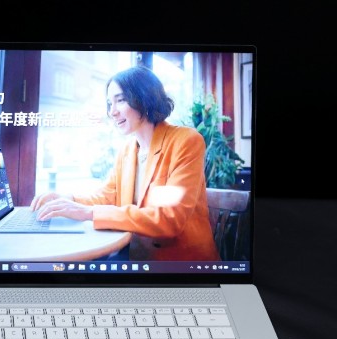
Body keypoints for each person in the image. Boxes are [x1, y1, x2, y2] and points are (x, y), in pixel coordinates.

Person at [30, 65, 219, 261]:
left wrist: (89, 213)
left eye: (120, 100)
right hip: (134, 254)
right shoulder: (127, 150)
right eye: (109, 103)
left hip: (180, 264)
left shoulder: (186, 141)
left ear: (144, 98)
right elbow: (108, 196)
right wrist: (67, 199)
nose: (112, 112)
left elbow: (168, 218)